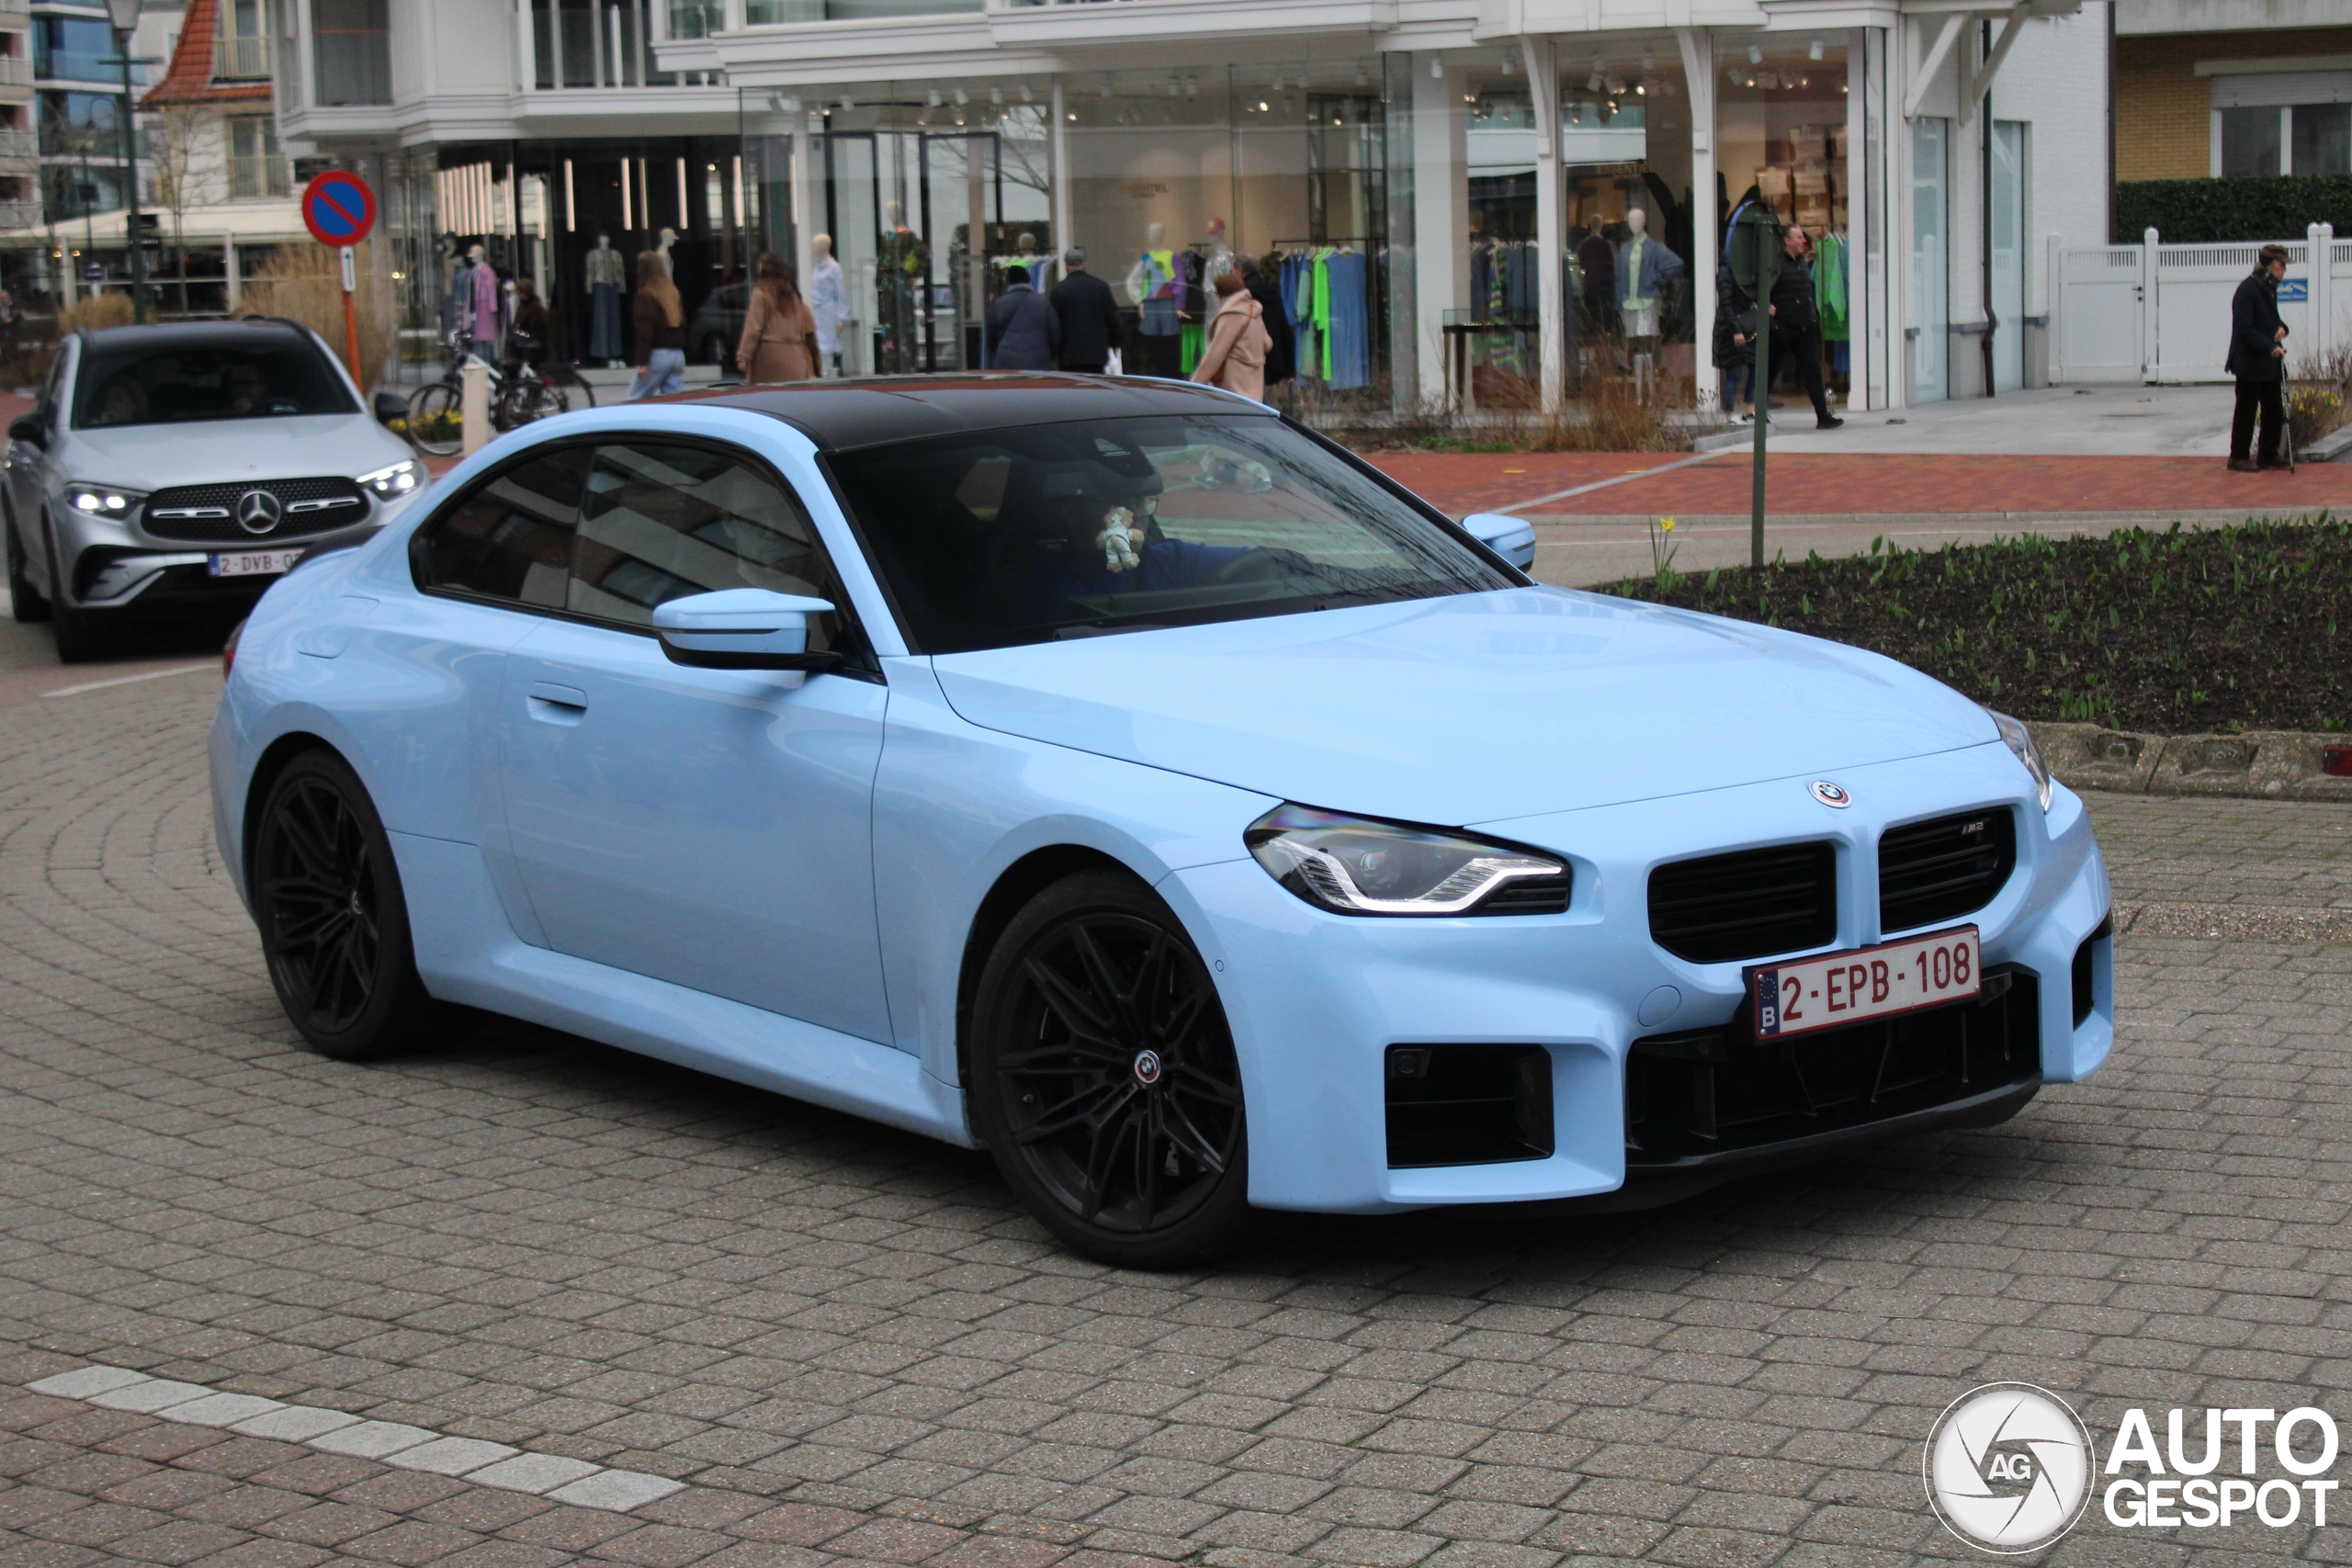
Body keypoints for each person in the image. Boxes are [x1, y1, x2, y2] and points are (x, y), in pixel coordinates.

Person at [1766, 225, 1842, 430]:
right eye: (1798, 237)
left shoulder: (1802, 263)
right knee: (1771, 370)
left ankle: (1823, 416)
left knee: (1813, 370)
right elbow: (1764, 293)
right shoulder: (1775, 265)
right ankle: (1756, 412)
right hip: (1783, 326)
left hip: (1806, 326)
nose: (1803, 241)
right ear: (1787, 241)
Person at [2227, 243, 2290, 471]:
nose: (2283, 272)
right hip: (2249, 361)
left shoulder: (2268, 290)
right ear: (2268, 267)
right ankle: (2238, 456)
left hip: (2268, 361)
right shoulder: (2247, 290)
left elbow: (2271, 320)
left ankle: (2268, 453)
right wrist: (2268, 346)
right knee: (2247, 409)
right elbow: (2244, 330)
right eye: (2280, 267)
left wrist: (2283, 329)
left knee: (2274, 408)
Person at [737, 252, 820, 384]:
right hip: (795, 357)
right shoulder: (792, 295)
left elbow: (753, 329)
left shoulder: (761, 293)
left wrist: (744, 357)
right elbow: (801, 329)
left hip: (769, 359)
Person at [1190, 272, 1272, 401]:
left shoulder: (1231, 315)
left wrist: (1194, 385)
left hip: (1235, 383)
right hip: (1255, 383)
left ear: (1220, 295)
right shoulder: (1253, 310)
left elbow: (1215, 354)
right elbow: (1267, 343)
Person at [1050, 248, 1121, 374]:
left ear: (1066, 265)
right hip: (1096, 354)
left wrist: (1054, 351)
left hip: (1070, 356)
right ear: (1084, 264)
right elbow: (1113, 319)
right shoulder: (1101, 287)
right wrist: (1115, 343)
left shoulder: (1059, 290)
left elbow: (1053, 324)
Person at [628, 251, 686, 400]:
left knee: (636, 400)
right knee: (674, 403)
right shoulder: (672, 291)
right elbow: (682, 322)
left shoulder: (646, 295)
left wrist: (642, 362)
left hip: (657, 355)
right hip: (677, 355)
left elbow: (645, 332)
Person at [985, 262, 1060, 371]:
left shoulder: (1000, 304)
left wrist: (999, 352)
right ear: (1028, 280)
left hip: (1007, 361)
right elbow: (1055, 333)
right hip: (1038, 359)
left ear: (1009, 282)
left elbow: (991, 335)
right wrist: (1049, 355)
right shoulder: (1043, 303)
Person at [1236, 254, 1295, 389]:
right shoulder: (1272, 292)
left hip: (1249, 357)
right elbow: (1285, 329)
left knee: (1252, 400)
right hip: (1273, 357)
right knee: (1258, 398)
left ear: (1239, 271)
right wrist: (1289, 370)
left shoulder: (1242, 294)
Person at [1714, 263, 1758, 425]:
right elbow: (1726, 305)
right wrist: (1735, 330)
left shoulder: (1749, 269)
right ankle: (1729, 413)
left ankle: (1749, 409)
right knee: (1734, 373)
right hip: (1732, 330)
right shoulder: (1727, 272)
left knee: (1755, 368)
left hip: (1749, 327)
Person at [510, 276, 549, 366]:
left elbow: (539, 328)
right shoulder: (524, 306)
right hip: (527, 338)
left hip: (533, 340)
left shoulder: (534, 307)